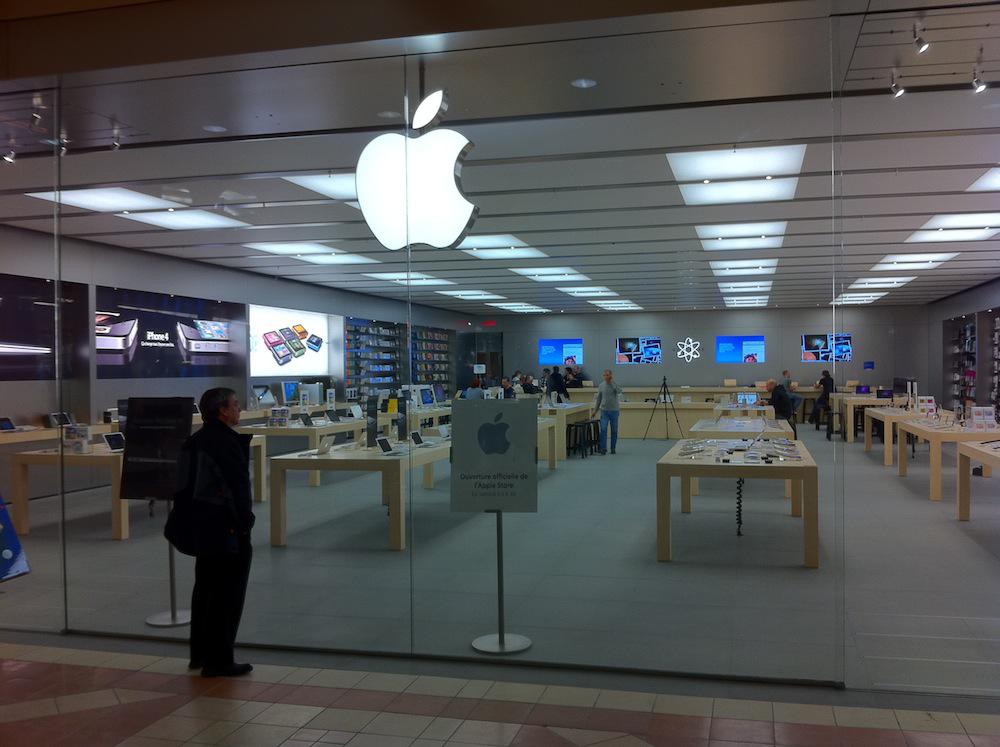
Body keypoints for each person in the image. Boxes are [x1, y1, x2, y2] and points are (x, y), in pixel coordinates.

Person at [177, 387, 254, 678]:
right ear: (222, 410)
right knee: (227, 595)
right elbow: (237, 490)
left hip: (204, 531)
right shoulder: (226, 444)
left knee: (205, 591)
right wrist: (244, 524)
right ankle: (220, 659)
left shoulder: (195, 441)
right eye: (235, 405)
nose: (239, 409)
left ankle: (200, 654)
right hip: (228, 532)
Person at [592, 369, 624, 454]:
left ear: (611, 376)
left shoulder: (615, 384)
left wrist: (612, 383)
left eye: (607, 375)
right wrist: (595, 410)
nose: (606, 377)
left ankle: (613, 448)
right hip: (604, 411)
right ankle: (603, 448)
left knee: (614, 430)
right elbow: (599, 399)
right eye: (604, 375)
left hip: (614, 411)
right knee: (603, 429)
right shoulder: (601, 385)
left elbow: (619, 391)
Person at [809, 369, 835, 440]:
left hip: (825, 397)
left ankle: (812, 420)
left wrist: (815, 384)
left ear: (823, 375)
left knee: (816, 406)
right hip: (831, 398)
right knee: (820, 406)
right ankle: (811, 420)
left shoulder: (822, 380)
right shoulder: (832, 379)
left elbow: (817, 387)